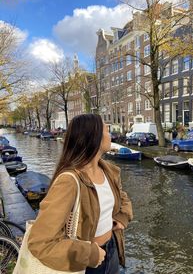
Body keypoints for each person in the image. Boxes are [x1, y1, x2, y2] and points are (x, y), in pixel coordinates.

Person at [28, 113, 133, 274]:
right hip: (87, 264)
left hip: (112, 249)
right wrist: (90, 254)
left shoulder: (109, 170)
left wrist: (122, 218)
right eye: (106, 130)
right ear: (94, 137)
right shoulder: (69, 181)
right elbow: (40, 242)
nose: (110, 134)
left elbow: (122, 196)